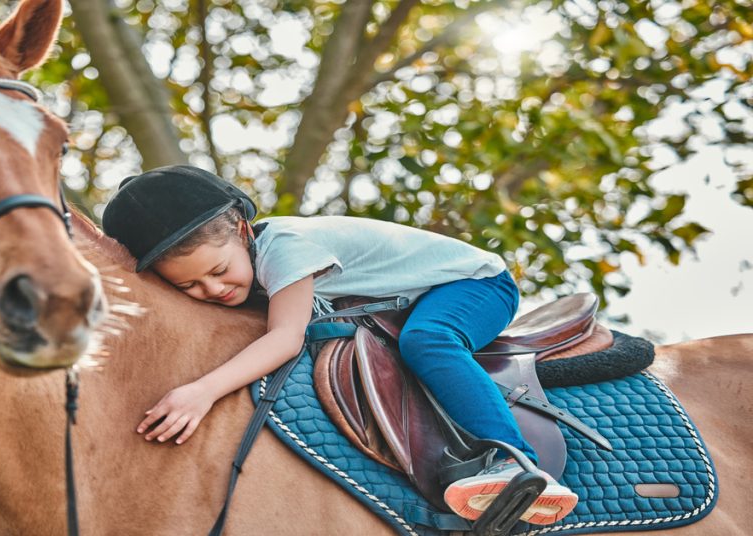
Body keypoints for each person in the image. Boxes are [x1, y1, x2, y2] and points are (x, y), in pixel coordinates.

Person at [102, 165, 578, 525]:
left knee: (428, 341)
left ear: (243, 230)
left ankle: (515, 463)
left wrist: (201, 391)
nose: (212, 290)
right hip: (407, 296)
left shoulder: (286, 247)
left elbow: (285, 338)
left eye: (219, 271)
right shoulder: (245, 266)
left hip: (475, 284)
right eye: (190, 288)